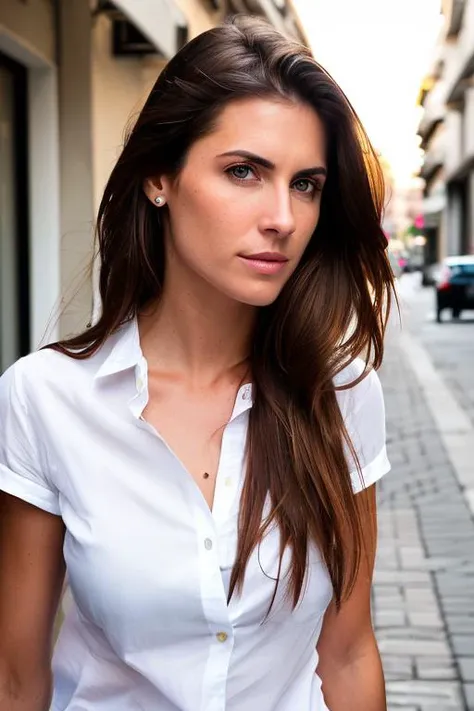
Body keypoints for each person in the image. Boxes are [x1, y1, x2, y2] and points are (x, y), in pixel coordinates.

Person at [0, 15, 394, 711]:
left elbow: (350, 649)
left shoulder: (343, 394)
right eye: (244, 171)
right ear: (160, 177)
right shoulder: (44, 399)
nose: (283, 217)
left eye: (306, 184)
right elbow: (16, 677)